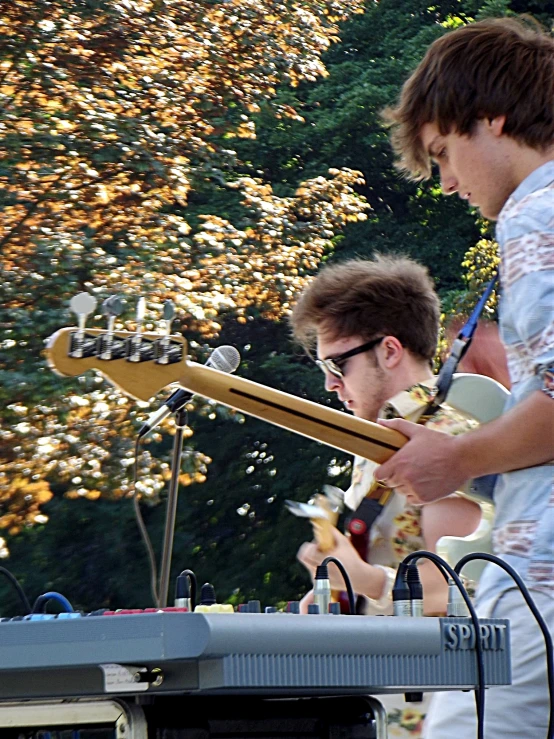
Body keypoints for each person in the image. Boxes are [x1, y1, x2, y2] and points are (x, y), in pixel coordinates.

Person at [380, 18, 554, 738]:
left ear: (492, 117)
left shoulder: (534, 216)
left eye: (445, 153)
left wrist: (455, 457)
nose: (447, 182)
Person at [290, 254, 483, 739]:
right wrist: (332, 588)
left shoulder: (445, 438)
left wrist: (365, 580)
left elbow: (471, 586)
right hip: (389, 704)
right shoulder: (375, 445)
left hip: (437, 714)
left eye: (338, 365)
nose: (330, 385)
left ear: (390, 350)